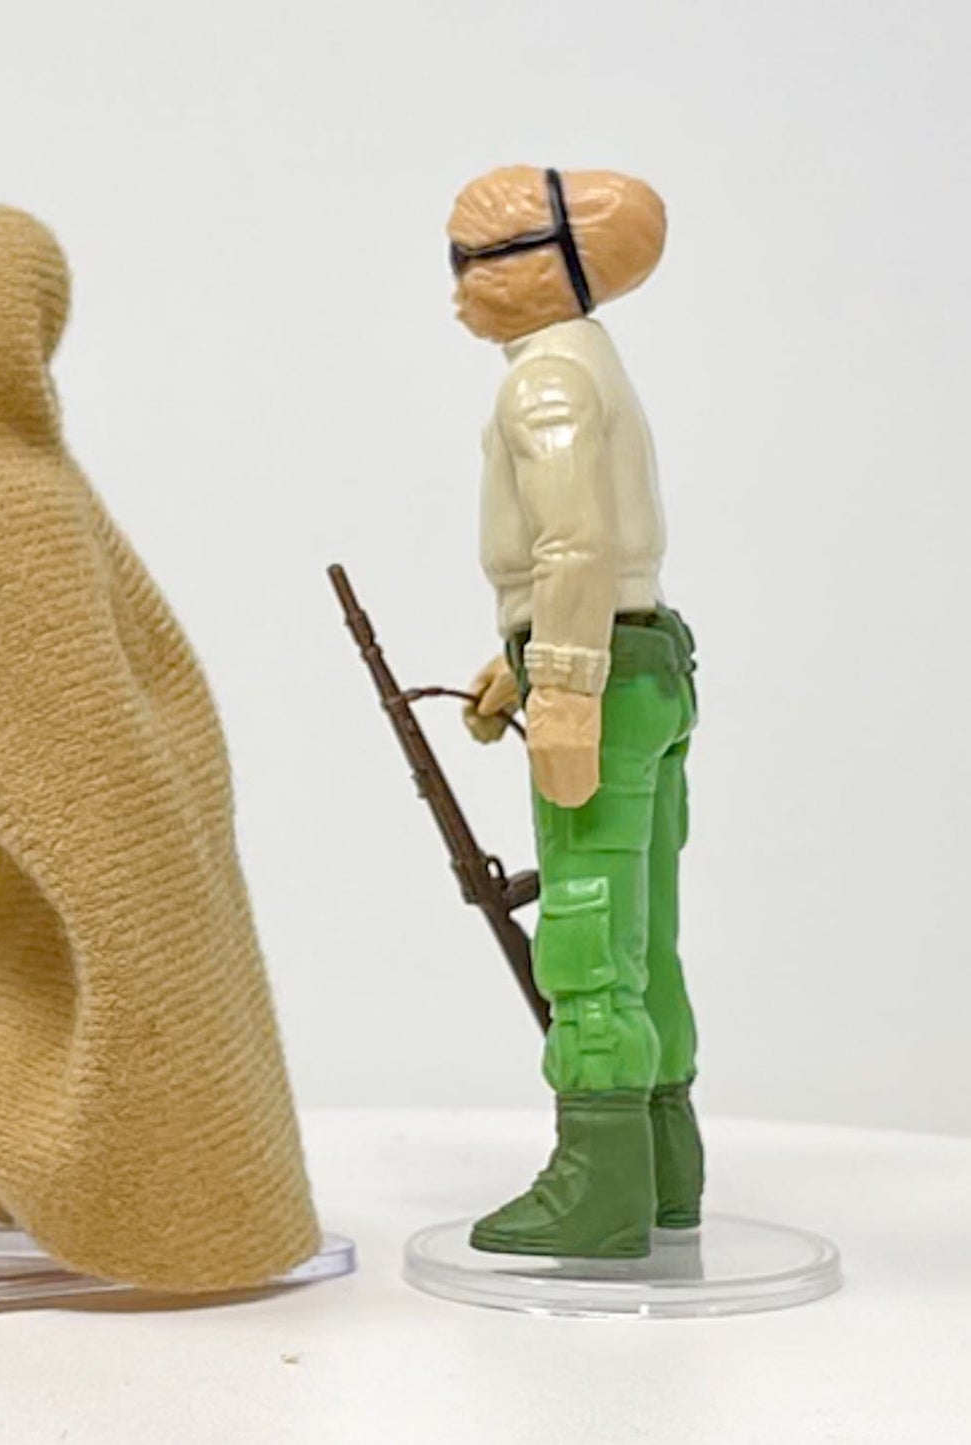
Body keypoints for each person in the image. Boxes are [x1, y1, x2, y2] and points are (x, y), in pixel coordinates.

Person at [453, 166, 703, 1258]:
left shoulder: (541, 381)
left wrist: (557, 685)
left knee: (588, 927)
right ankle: (665, 1166)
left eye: (471, 262)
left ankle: (598, 1186)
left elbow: (573, 545)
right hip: (645, 661)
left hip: (600, 677)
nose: (456, 288)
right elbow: (608, 561)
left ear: (540, 269)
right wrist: (523, 662)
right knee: (646, 929)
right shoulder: (587, 358)